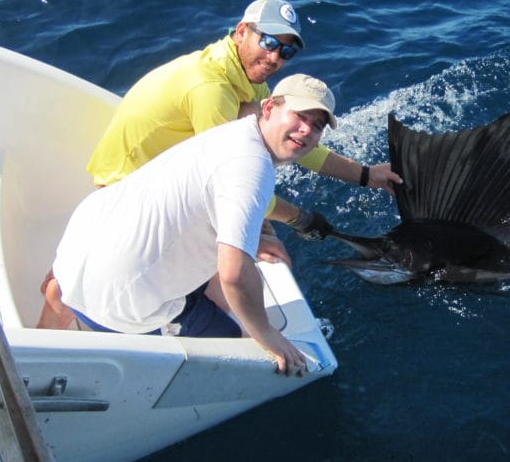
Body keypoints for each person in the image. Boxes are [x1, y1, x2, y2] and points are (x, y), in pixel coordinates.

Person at [37, 0, 400, 329]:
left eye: (286, 52)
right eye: (269, 42)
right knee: (221, 264)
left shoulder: (246, 76)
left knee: (242, 250)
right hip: (130, 189)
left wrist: (366, 175)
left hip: (156, 178)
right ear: (242, 31)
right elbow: (229, 180)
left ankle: (65, 299)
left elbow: (298, 142)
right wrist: (295, 220)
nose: (275, 57)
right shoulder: (211, 88)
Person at [48, 74, 341, 376]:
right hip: (114, 302)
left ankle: (53, 313)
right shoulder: (251, 169)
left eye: (317, 125)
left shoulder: (235, 131)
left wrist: (251, 237)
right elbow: (234, 274)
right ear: (267, 108)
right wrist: (267, 335)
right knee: (238, 348)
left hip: (75, 255)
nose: (306, 130)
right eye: (299, 116)